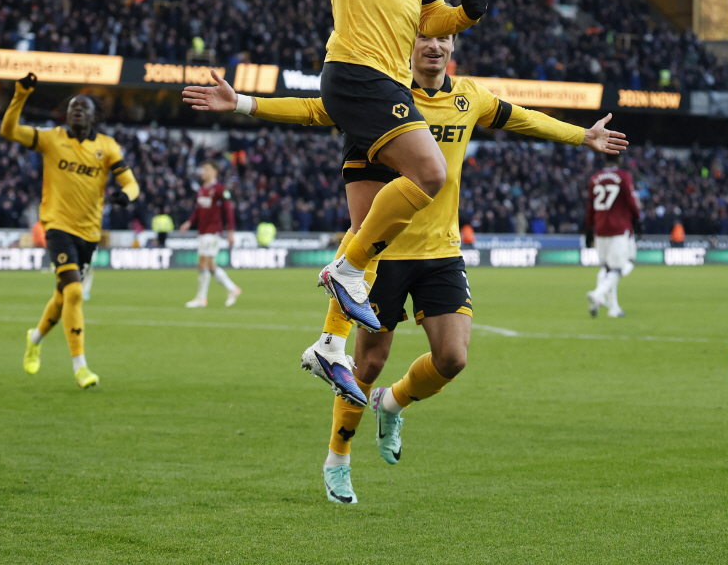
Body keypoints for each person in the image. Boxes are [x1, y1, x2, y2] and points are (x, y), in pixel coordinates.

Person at [183, 33, 627, 503]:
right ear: (405, 43)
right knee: (367, 363)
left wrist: (583, 136)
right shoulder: (381, 96)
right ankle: (338, 458)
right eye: (423, 37)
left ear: (453, 45)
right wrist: (244, 105)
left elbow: (522, 119)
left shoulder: (468, 97)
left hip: (440, 251)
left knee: (453, 358)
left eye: (443, 37)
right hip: (381, 255)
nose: (433, 45)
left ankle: (392, 404)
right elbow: (315, 110)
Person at [271, 0, 488, 324]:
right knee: (431, 172)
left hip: (390, 80)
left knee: (368, 215)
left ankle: (329, 346)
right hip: (355, 69)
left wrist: (464, 16)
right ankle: (348, 269)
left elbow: (429, 19)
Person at [1, 73, 140, 388]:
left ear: (94, 116)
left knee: (64, 296)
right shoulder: (51, 138)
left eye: (84, 107)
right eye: (73, 106)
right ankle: (81, 367)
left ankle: (34, 337)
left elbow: (131, 183)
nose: (77, 110)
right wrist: (21, 94)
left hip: (89, 234)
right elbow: (8, 130)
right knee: (75, 291)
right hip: (57, 226)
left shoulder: (107, 147)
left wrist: (125, 196)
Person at [179, 160, 242, 308]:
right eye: (202, 170)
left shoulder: (220, 189)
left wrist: (231, 231)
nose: (203, 173)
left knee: (202, 263)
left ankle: (201, 298)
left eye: (206, 170)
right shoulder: (202, 189)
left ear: (215, 172)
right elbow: (197, 210)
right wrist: (189, 222)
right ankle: (232, 289)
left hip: (213, 231)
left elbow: (228, 210)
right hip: (202, 231)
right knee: (211, 266)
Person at [584, 153, 640, 318]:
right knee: (618, 268)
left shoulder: (595, 178)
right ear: (620, 160)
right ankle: (597, 294)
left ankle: (613, 309)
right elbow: (631, 202)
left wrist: (588, 229)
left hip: (600, 229)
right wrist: (638, 219)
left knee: (607, 268)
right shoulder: (623, 176)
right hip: (618, 228)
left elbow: (590, 206)